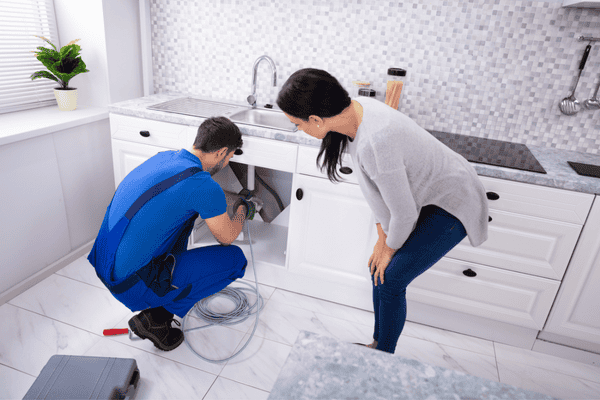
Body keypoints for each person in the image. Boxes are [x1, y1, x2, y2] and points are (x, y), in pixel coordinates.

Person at [277, 68, 489, 354]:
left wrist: (388, 247)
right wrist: (382, 237)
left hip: (454, 200)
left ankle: (382, 356)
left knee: (390, 278)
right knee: (378, 268)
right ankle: (376, 345)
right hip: (426, 195)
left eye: (297, 124)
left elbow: (403, 215)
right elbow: (378, 194)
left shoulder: (375, 141)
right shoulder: (353, 112)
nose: (298, 129)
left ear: (315, 119)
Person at [88, 117, 261, 351]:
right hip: (131, 286)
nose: (229, 161)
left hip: (104, 265)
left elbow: (173, 201)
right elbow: (227, 237)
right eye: (230, 156)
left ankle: (162, 292)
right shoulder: (203, 186)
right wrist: (242, 210)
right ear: (221, 152)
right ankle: (157, 320)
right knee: (235, 260)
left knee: (181, 220)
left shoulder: (163, 159)